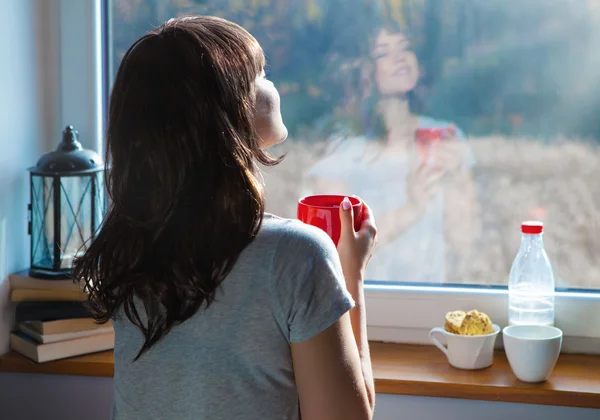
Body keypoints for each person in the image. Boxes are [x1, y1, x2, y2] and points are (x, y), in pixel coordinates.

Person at [73, 16, 377, 420]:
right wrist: (350, 273)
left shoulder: (131, 248)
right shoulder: (295, 256)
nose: (274, 85)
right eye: (262, 75)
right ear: (231, 108)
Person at [305, 21, 480, 284]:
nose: (400, 57)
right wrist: (411, 208)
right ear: (363, 71)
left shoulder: (446, 137)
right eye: (383, 52)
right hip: (366, 306)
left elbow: (464, 243)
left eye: (405, 47)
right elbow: (332, 255)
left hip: (432, 296)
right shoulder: (344, 150)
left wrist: (456, 180)